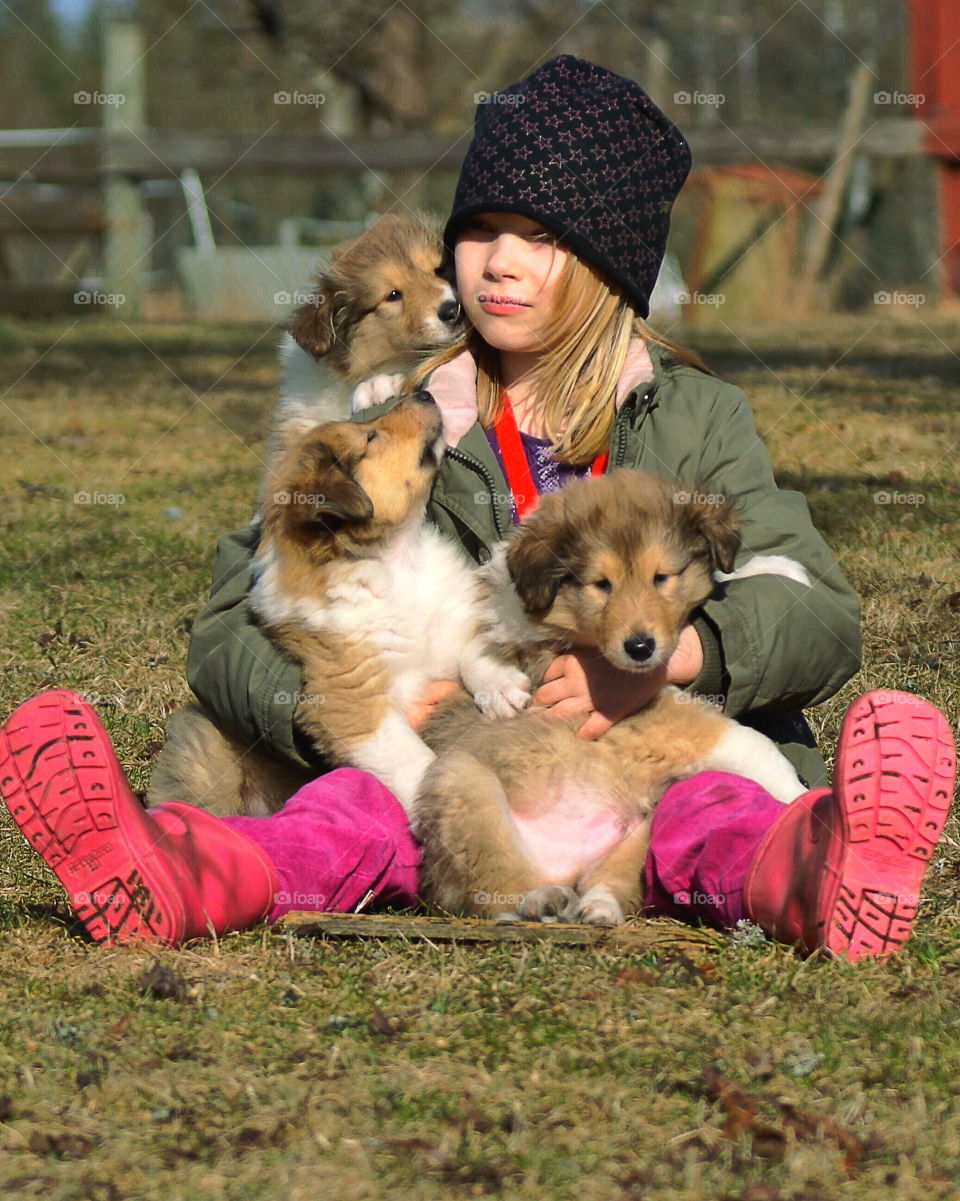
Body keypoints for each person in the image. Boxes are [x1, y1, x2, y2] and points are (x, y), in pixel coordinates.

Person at [0, 57, 954, 960]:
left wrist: (689, 651)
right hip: (464, 777)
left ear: (608, 263)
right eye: (479, 229)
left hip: (652, 756)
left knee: (712, 812)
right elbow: (230, 621)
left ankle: (824, 870)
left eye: (540, 238)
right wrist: (336, 708)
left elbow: (814, 604)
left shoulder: (692, 418)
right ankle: (185, 872)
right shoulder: (392, 416)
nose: (497, 261)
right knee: (352, 812)